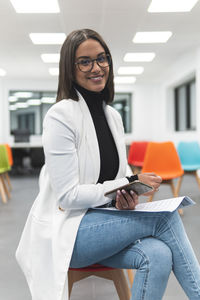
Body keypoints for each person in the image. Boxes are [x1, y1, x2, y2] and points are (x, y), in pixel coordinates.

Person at [16, 29, 200, 300]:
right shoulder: (61, 115)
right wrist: (124, 183)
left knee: (159, 254)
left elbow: (119, 174)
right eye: (85, 61)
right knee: (166, 217)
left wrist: (125, 196)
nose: (97, 67)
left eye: (102, 58)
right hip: (70, 231)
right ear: (70, 68)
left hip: (105, 223)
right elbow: (68, 197)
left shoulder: (112, 115)